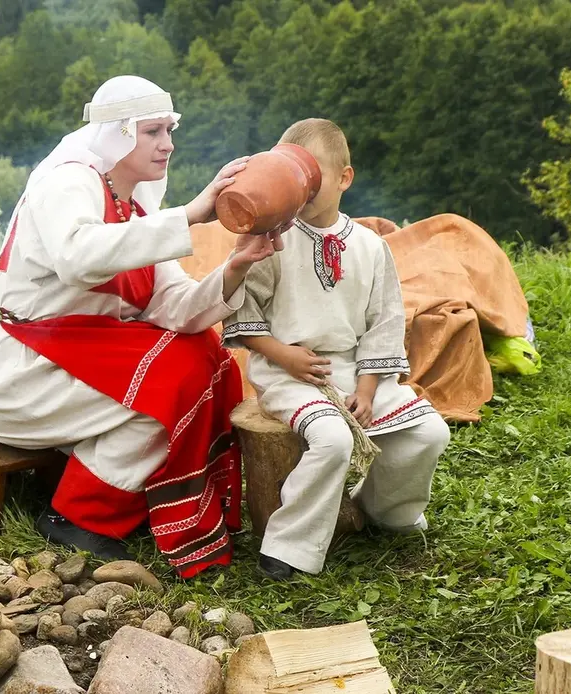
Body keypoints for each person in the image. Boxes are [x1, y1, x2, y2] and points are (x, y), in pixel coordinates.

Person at [0, 75, 282, 578]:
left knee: (205, 355)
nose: (168, 144)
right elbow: (78, 257)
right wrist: (191, 215)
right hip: (19, 371)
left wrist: (237, 265)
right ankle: (79, 515)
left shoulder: (136, 209)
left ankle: (105, 485)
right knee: (175, 372)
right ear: (117, 133)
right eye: (152, 132)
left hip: (76, 362)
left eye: (169, 130)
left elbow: (178, 308)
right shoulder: (67, 181)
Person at [222, 118, 450, 581]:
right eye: (291, 175)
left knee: (429, 433)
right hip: (285, 370)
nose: (302, 188)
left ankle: (386, 508)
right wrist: (283, 355)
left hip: (353, 370)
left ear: (344, 178)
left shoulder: (370, 246)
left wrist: (367, 390)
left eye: (313, 176)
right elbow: (242, 315)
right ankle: (289, 544)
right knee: (333, 439)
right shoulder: (271, 241)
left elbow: (384, 323)